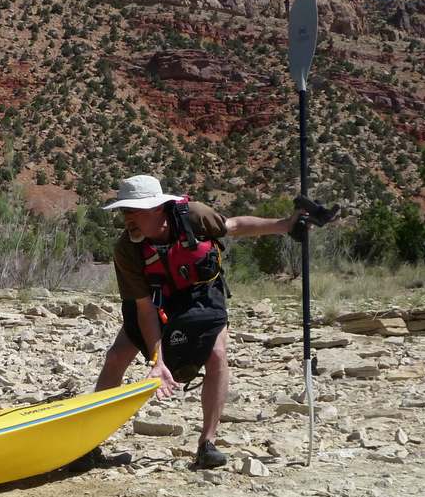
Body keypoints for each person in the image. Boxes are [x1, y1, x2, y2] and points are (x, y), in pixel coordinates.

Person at [85, 174, 306, 470]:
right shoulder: (127, 249)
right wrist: (156, 360)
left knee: (216, 355)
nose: (126, 218)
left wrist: (285, 225)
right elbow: (145, 309)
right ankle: (88, 443)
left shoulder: (196, 216)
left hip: (201, 295)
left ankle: (207, 444)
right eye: (123, 211)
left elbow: (234, 226)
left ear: (156, 209)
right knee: (116, 356)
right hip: (158, 301)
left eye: (132, 211)